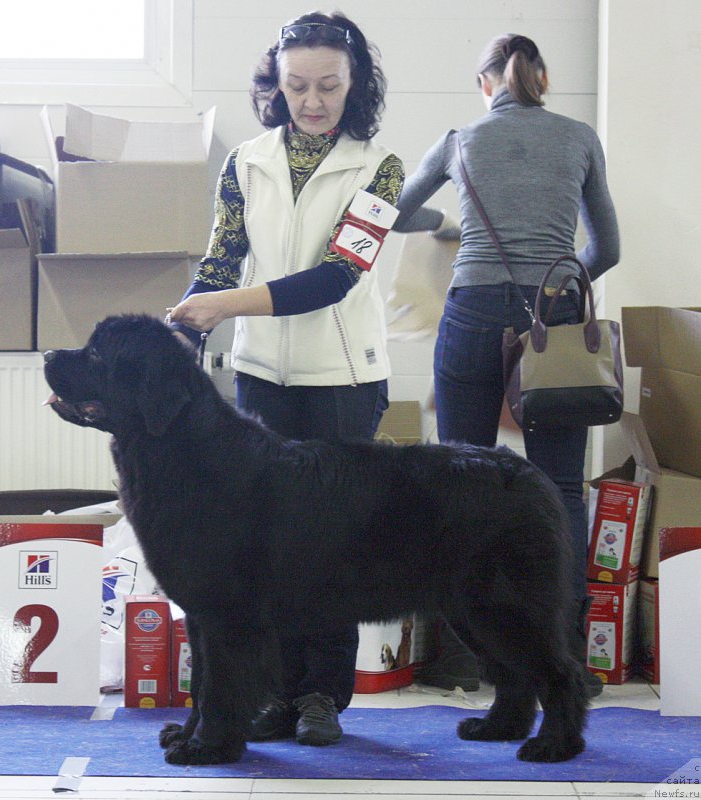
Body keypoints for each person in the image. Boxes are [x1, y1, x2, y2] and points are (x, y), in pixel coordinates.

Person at [167, 11, 404, 745]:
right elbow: (219, 263)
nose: (312, 100)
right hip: (261, 377)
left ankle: (323, 696)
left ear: (356, 83)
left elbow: (336, 278)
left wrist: (224, 306)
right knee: (263, 548)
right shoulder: (245, 162)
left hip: (345, 380)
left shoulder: (381, 167)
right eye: (297, 85)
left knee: (331, 547)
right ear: (275, 83)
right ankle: (273, 694)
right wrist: (179, 325)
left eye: (328, 85)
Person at [392, 33, 620, 697]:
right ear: (542, 79)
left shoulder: (459, 140)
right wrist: (561, 287)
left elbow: (395, 212)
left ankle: (465, 659)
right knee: (560, 487)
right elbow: (607, 247)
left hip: (471, 313)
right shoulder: (579, 137)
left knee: (461, 482)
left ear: (484, 85)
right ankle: (564, 661)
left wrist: (446, 222)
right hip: (553, 320)